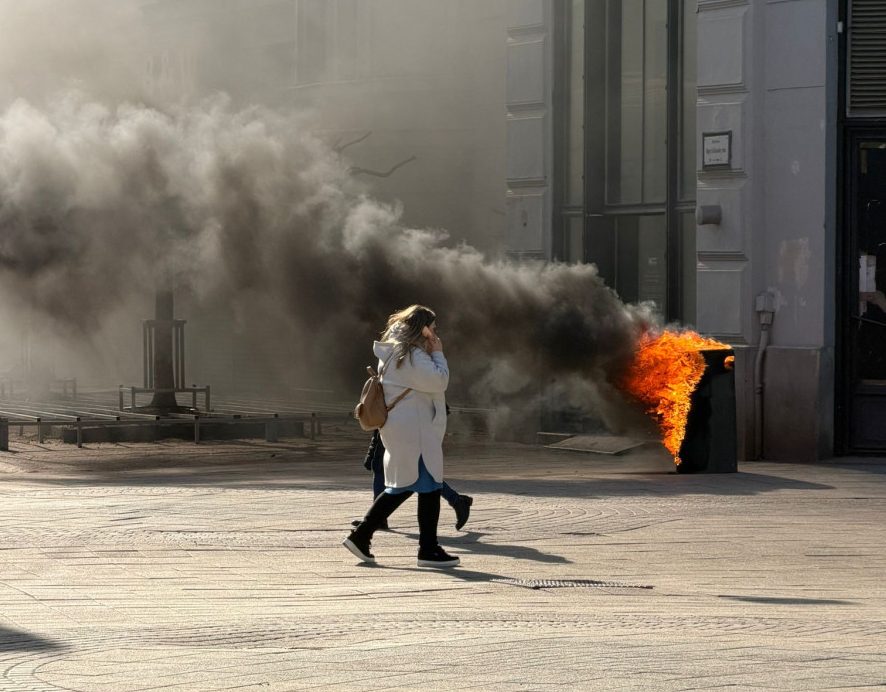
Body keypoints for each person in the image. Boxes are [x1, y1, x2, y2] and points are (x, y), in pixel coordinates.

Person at [342, 305, 460, 568]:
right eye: (433, 328)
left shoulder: (396, 350)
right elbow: (438, 381)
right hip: (415, 430)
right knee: (415, 485)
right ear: (424, 329)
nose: (436, 333)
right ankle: (371, 537)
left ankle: (424, 547)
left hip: (407, 428)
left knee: (416, 485)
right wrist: (438, 353)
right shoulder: (412, 355)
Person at [352, 429, 473, 531]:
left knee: (421, 473)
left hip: (409, 430)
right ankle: (378, 519)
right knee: (379, 466)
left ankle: (457, 501)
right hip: (393, 428)